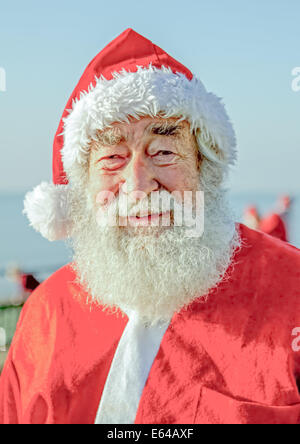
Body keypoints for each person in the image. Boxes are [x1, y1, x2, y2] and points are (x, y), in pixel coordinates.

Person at [1, 29, 300, 425]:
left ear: (203, 168)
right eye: (112, 157)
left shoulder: (292, 291)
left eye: (163, 152)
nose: (139, 186)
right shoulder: (47, 310)